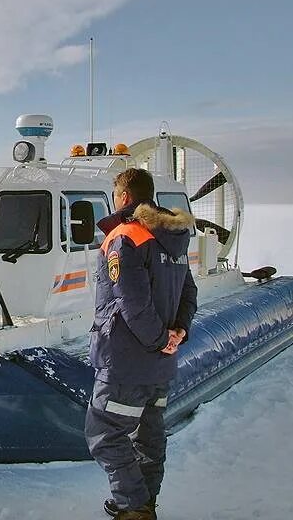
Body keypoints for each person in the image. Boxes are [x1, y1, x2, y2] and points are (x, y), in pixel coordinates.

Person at [85, 168, 198, 520]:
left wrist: (159, 339)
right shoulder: (174, 238)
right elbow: (189, 292)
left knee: (104, 432)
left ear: (123, 197)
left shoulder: (125, 236)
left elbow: (131, 302)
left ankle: (133, 507)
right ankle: (145, 502)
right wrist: (178, 333)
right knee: (148, 435)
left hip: (126, 361)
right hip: (160, 365)